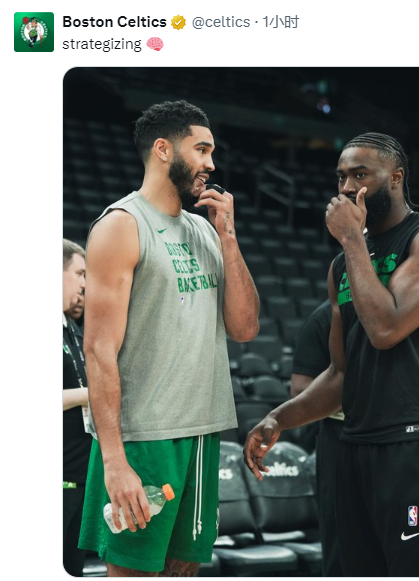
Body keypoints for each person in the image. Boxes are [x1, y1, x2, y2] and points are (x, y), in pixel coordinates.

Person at [245, 132, 419, 576]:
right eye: (342, 176)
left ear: (396, 177)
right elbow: (340, 373)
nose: (347, 187)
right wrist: (279, 418)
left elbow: (386, 328)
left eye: (361, 175)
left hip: (416, 439)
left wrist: (352, 239)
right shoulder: (341, 267)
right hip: (354, 445)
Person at [78, 100, 260, 577]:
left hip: (203, 430)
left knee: (183, 571)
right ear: (163, 149)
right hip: (145, 438)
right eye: (201, 149)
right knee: (135, 572)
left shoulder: (205, 229)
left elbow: (245, 328)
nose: (211, 163)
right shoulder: (121, 225)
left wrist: (229, 238)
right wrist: (114, 461)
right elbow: (98, 351)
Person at [290, 298, 343, 576]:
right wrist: (364, 400)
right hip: (340, 437)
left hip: (386, 438)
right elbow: (300, 388)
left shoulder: (397, 306)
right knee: (341, 542)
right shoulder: (324, 317)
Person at [63, 239, 92, 576]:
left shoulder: (71, 326)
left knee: (74, 569)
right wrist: (91, 395)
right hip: (60, 476)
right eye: (79, 273)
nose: (85, 283)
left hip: (80, 475)